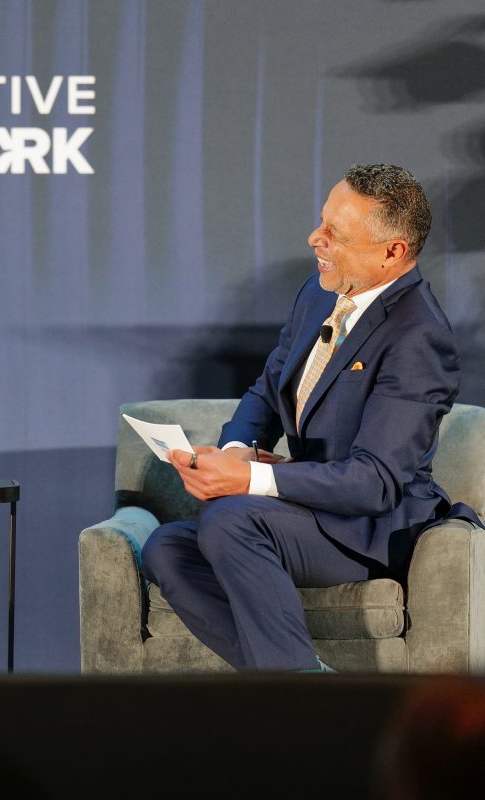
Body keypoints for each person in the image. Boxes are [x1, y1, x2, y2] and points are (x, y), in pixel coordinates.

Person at [140, 164, 480, 671]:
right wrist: (236, 451)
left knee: (229, 520)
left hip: (370, 528)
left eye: (335, 235)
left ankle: (302, 706)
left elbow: (375, 483)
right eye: (322, 222)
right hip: (306, 513)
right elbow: (268, 390)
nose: (314, 239)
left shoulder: (419, 337)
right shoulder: (318, 292)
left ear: (393, 253)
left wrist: (253, 478)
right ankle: (308, 685)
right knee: (166, 546)